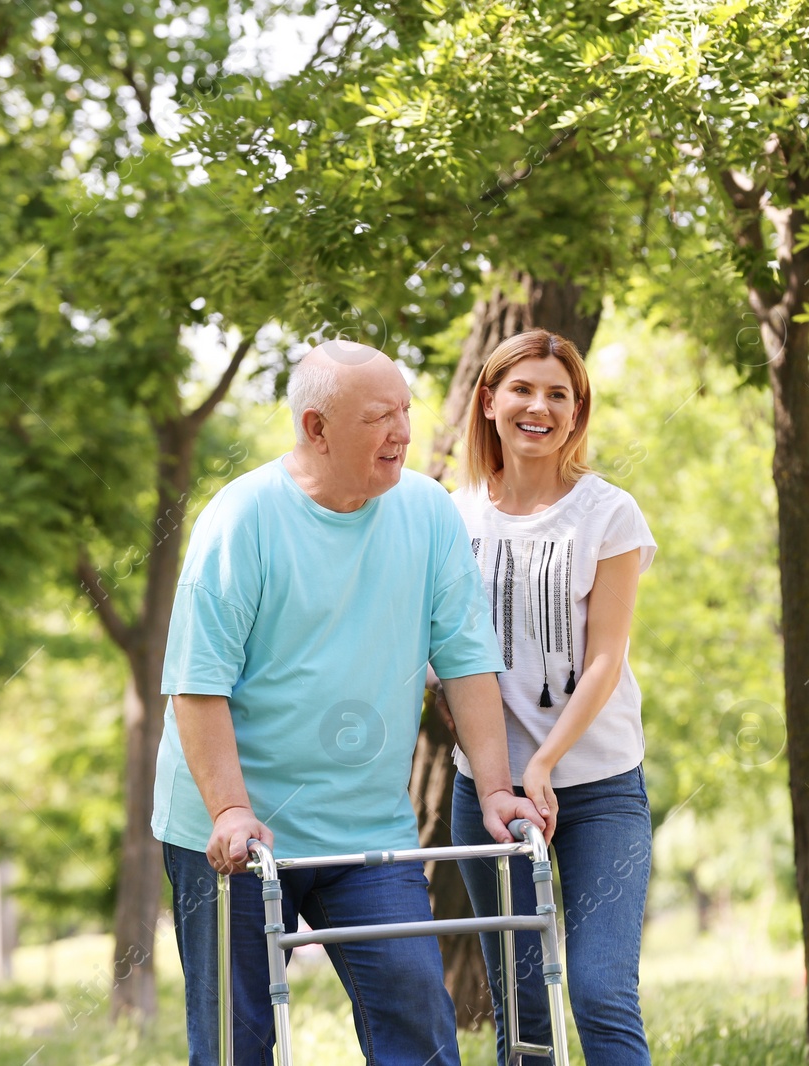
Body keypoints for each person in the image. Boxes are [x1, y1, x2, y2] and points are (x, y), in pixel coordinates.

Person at [155, 341, 544, 1066]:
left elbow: (467, 662)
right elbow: (197, 685)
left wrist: (497, 788)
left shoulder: (428, 513)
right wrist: (231, 811)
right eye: (378, 417)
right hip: (233, 830)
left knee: (419, 1028)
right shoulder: (241, 521)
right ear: (315, 428)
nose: (401, 430)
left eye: (405, 410)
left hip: (365, 830)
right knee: (238, 1044)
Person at [443, 329, 656, 1065]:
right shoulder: (453, 515)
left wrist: (545, 764)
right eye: (523, 389)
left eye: (559, 394)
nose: (540, 406)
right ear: (490, 401)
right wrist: (501, 774)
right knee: (522, 1006)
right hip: (486, 795)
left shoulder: (609, 513)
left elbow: (605, 659)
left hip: (597, 788)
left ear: (577, 411)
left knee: (600, 992)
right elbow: (443, 661)